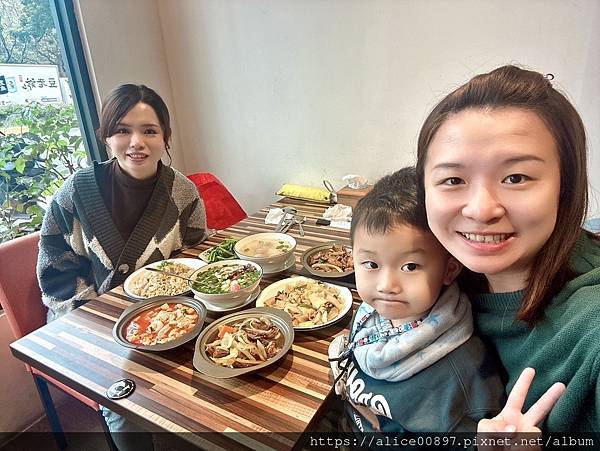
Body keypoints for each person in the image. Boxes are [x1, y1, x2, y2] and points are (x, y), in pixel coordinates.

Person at [416, 64, 600, 433]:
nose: (481, 210)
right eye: (453, 179)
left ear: (565, 187)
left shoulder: (590, 329)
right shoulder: (438, 272)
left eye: (516, 177)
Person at [37, 84, 207, 450]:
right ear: (106, 137)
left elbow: (198, 255)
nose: (136, 143)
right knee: (125, 403)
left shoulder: (183, 192)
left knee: (191, 396)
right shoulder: (74, 193)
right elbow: (54, 274)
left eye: (149, 131)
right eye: (122, 130)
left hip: (167, 316)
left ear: (165, 137)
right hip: (87, 320)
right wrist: (103, 318)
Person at [328, 167, 504, 434]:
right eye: (371, 263)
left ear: (449, 269)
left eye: (410, 266)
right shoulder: (369, 313)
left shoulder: (462, 379)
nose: (386, 285)